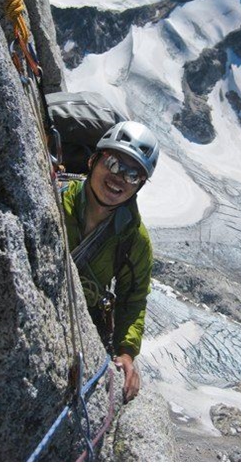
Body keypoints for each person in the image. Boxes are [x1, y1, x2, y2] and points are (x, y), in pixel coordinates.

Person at [60, 121, 160, 403]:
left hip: (82, 324)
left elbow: (133, 299)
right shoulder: (53, 198)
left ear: (139, 185)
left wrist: (126, 352)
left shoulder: (134, 239)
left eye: (132, 174)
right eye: (115, 164)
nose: (119, 178)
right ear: (94, 160)